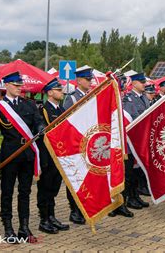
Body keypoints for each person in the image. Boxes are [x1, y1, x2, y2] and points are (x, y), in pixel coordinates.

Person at [0, 71, 45, 243]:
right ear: (7, 85)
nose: (19, 88)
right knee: (7, 191)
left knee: (25, 191)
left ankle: (24, 226)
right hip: (10, 153)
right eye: (15, 86)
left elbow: (38, 120)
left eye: (20, 85)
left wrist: (40, 127)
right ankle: (8, 227)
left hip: (27, 154)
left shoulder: (29, 105)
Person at [36, 78, 70, 234]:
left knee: (54, 187)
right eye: (58, 89)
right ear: (50, 92)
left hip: (59, 155)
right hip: (47, 156)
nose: (61, 91)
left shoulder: (62, 109)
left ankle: (52, 216)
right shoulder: (42, 110)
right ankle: (44, 219)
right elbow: (40, 136)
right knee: (45, 187)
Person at [62, 66, 93, 225]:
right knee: (75, 177)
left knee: (86, 178)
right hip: (74, 145)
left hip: (87, 143)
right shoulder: (71, 98)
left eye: (90, 79)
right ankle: (74, 210)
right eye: (87, 80)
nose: (90, 82)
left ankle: (82, 207)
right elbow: (67, 123)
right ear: (79, 80)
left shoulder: (89, 96)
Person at [121, 73, 151, 210]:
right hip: (131, 140)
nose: (144, 84)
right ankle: (126, 199)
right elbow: (131, 119)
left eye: (144, 82)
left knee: (136, 171)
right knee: (129, 173)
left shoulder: (144, 98)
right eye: (141, 82)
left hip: (141, 140)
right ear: (133, 83)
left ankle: (135, 196)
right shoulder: (128, 99)